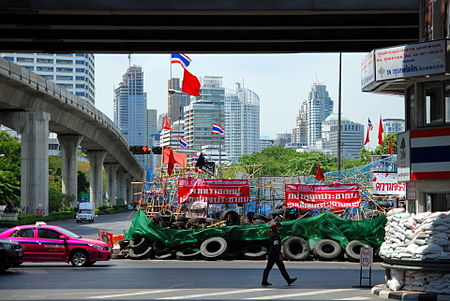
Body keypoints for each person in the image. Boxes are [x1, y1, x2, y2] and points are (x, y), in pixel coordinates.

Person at [262, 221, 297, 286]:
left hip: (272, 254)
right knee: (281, 268)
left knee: (269, 268)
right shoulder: (275, 235)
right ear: (274, 227)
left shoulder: (272, 234)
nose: (279, 228)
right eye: (277, 226)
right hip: (274, 254)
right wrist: (279, 254)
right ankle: (288, 280)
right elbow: (276, 246)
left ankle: (264, 281)